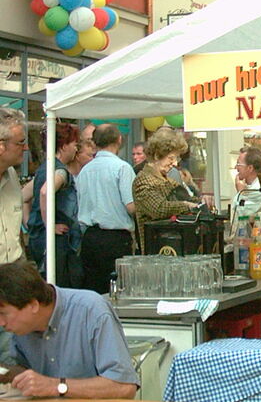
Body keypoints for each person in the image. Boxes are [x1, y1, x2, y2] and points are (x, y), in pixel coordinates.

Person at [0, 261, 138, 402]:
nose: (1, 323)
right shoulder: (21, 326)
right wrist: (8, 373)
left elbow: (124, 387)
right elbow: (23, 370)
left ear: (33, 305)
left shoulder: (91, 309)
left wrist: (56, 386)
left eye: (4, 314)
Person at [76, 123, 136, 295]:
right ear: (119, 140)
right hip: (116, 238)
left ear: (94, 142)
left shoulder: (85, 170)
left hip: (90, 238)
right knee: (119, 291)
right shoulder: (122, 168)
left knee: (93, 291)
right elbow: (131, 206)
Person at [26, 123, 82, 288]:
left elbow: (23, 197)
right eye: (74, 145)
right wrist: (49, 225)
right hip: (56, 243)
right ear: (64, 146)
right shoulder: (61, 172)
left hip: (38, 239)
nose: (76, 149)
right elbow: (45, 192)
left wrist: (31, 224)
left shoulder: (42, 170)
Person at [132, 129, 200, 239]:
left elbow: (185, 198)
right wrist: (186, 206)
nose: (175, 163)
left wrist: (201, 201)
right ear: (157, 155)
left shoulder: (167, 180)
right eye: (171, 158)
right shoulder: (143, 180)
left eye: (177, 158)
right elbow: (158, 209)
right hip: (157, 245)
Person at [0, 108, 26, 364]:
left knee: (11, 362)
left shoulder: (11, 175)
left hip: (12, 284)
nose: (26, 148)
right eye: (20, 142)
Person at [232, 147, 261, 219]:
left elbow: (243, 216)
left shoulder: (260, 189)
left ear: (250, 168)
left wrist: (241, 193)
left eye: (238, 164)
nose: (236, 167)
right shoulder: (248, 186)